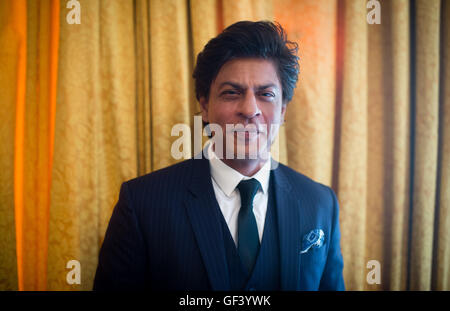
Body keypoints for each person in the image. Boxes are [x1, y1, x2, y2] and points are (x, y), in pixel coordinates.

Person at [93, 21, 345, 291]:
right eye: (231, 93)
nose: (250, 109)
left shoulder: (320, 204)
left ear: (283, 110)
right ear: (204, 106)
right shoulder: (141, 204)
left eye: (266, 94)